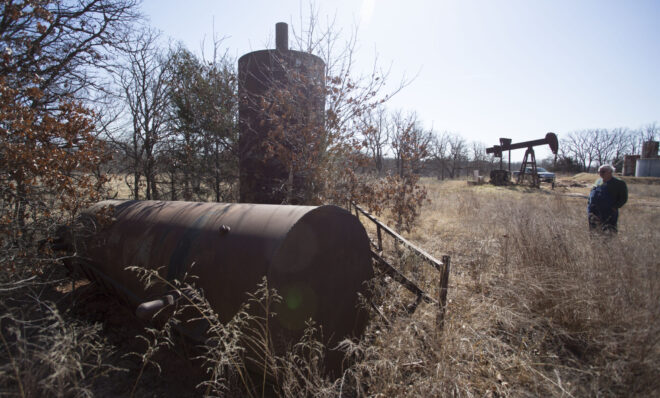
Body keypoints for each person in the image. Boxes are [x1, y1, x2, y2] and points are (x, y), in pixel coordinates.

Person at [587, 164, 628, 233]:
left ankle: (610, 243)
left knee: (609, 231)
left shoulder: (619, 183)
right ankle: (594, 243)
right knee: (593, 231)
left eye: (603, 172)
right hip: (593, 211)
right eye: (599, 172)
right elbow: (592, 193)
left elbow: (623, 198)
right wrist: (589, 203)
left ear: (610, 172)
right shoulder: (598, 181)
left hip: (608, 212)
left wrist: (615, 207)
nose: (600, 173)